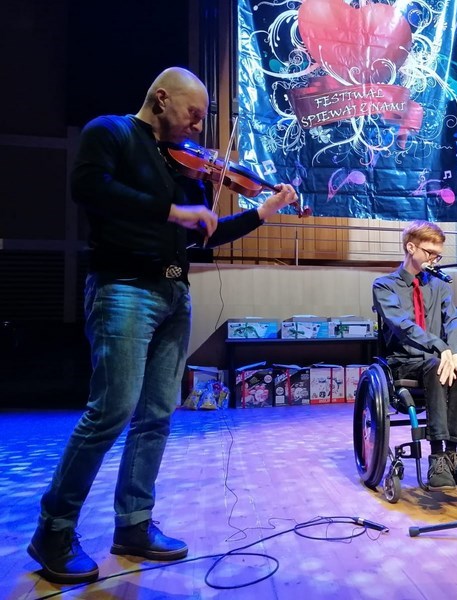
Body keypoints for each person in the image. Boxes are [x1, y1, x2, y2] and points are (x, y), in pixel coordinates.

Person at [28, 67, 298, 585]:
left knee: (156, 415)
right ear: (160, 98)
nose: (198, 127)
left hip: (175, 293)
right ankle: (53, 530)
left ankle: (133, 524)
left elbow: (202, 234)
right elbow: (89, 187)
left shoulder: (180, 165)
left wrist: (261, 212)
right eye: (193, 114)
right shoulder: (110, 131)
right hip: (124, 287)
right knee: (111, 411)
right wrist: (172, 210)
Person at [372, 221, 457, 491]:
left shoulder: (440, 286)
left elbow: (453, 322)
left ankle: (453, 455)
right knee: (438, 365)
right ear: (411, 247)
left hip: (438, 359)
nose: (434, 259)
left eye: (438, 255)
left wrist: (456, 353)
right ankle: (437, 457)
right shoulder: (384, 285)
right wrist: (441, 348)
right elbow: (402, 325)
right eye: (430, 253)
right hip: (405, 362)